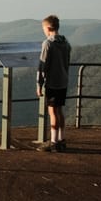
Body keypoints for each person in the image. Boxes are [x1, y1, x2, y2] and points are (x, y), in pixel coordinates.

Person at [36, 14, 71, 152]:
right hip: (63, 80)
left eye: (43, 28)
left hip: (52, 82)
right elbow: (67, 62)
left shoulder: (48, 43)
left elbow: (42, 66)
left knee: (52, 112)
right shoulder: (65, 42)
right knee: (60, 111)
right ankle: (62, 140)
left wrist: (39, 84)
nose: (43, 31)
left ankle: (53, 142)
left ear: (48, 28)